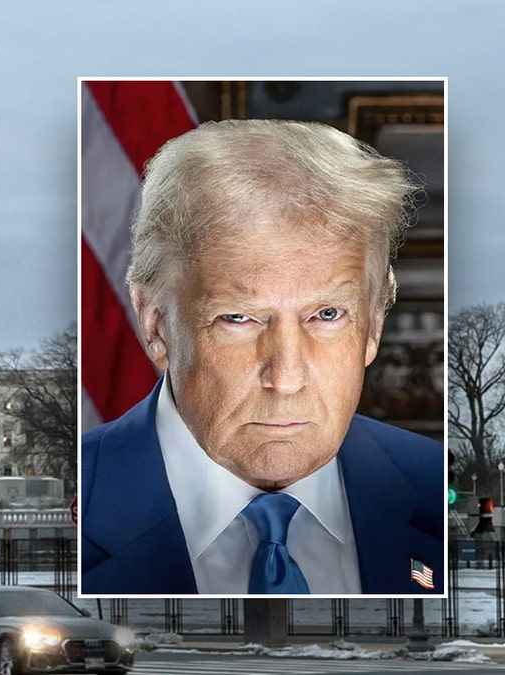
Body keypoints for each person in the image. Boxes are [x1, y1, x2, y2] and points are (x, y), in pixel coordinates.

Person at [80, 119, 444, 595]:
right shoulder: (83, 502)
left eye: (327, 314)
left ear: (374, 325)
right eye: (238, 318)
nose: (287, 377)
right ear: (156, 326)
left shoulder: (435, 485)